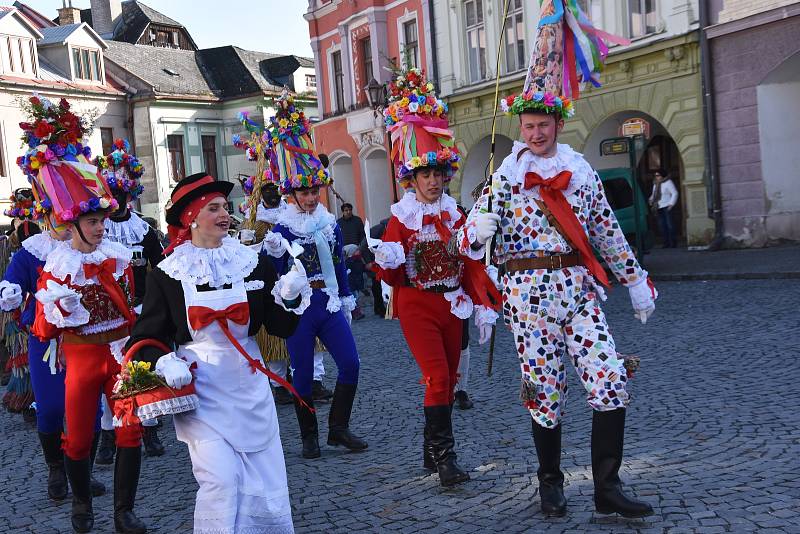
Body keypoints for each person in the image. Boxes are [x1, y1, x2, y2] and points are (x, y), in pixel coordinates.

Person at [461, 5, 658, 518]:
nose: (535, 133)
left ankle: (607, 488)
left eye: (543, 124)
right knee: (544, 393)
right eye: (527, 125)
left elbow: (606, 231)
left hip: (576, 291)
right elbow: (472, 242)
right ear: (521, 126)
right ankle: (550, 482)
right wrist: (476, 229)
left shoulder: (581, 171)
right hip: (526, 299)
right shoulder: (503, 177)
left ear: (556, 122)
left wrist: (635, 279)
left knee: (610, 378)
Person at [127, 172, 303, 533]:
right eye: (214, 207)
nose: (225, 213)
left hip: (250, 388)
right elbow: (144, 338)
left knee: (264, 481)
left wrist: (291, 296)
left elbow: (280, 327)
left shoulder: (252, 262)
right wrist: (164, 360)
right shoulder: (168, 273)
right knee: (220, 480)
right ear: (191, 216)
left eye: (225, 206)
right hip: (202, 391)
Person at [371, 68, 500, 487]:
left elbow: (469, 260)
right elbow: (389, 273)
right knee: (438, 376)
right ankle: (446, 460)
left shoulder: (455, 213)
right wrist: (388, 256)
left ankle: (430, 452)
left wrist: (482, 298)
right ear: (412, 178)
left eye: (437, 174)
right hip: (417, 305)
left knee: (452, 378)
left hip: (452, 305)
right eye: (423, 174)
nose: (431, 181)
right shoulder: (402, 218)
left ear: (445, 175)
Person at [29, 121, 146, 531]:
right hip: (80, 355)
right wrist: (59, 308)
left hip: (119, 353)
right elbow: (43, 330)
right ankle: (82, 504)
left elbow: (134, 309)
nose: (101, 228)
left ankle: (123, 510)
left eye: (102, 220)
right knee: (78, 438)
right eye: (93, 221)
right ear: (73, 224)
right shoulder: (58, 267)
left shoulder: (118, 258)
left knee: (131, 430)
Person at [265, 90, 367, 460]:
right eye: (304, 192)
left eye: (314, 191)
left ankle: (338, 428)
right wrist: (276, 260)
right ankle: (309, 436)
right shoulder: (280, 232)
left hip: (328, 301)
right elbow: (276, 277)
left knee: (351, 364)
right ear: (292, 194)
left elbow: (337, 262)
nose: (310, 198)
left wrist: (345, 296)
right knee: (303, 375)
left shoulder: (329, 225)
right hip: (298, 310)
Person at [0, 189, 108, 502]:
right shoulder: (31, 252)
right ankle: (56, 467)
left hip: (86, 337)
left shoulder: (92, 248)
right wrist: (10, 293)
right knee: (49, 407)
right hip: (46, 339)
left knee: (91, 409)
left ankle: (83, 473)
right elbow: (13, 281)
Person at [96, 139, 165, 459]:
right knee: (110, 375)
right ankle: (109, 436)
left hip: (140, 309)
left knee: (143, 368)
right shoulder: (98, 230)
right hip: (108, 313)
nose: (118, 201)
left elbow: (161, 266)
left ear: (130, 195)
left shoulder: (144, 230)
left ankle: (148, 430)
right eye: (113, 196)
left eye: (122, 195)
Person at [649, 169, 679, 248]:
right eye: (655, 175)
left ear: (662, 175)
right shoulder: (655, 184)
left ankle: (673, 242)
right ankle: (666, 243)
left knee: (670, 225)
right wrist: (651, 199)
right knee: (662, 226)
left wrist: (671, 204)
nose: (656, 177)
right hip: (658, 207)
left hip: (667, 206)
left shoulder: (668, 182)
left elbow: (675, 193)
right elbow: (654, 194)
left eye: (658, 175)